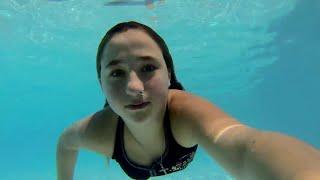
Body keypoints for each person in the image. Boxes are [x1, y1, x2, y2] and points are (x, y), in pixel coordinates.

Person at [56, 21, 320, 180]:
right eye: (116, 73)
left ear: (169, 74)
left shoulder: (184, 113)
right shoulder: (101, 131)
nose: (134, 87)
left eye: (148, 68)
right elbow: (65, 143)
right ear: (101, 83)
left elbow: (243, 148)